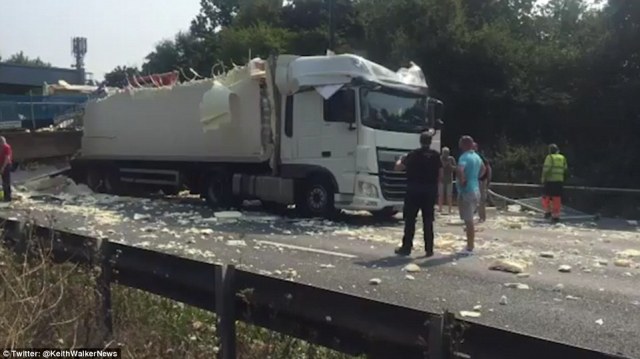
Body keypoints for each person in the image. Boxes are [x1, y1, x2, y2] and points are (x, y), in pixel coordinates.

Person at [394, 131, 442, 257]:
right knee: (428, 220)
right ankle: (429, 248)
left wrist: (400, 159)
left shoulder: (413, 154)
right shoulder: (436, 156)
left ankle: (407, 247)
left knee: (410, 220)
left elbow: (398, 168)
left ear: (420, 141)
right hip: (430, 191)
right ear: (430, 142)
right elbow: (441, 174)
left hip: (413, 190)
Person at [456, 136, 485, 254]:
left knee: (469, 221)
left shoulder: (464, 157)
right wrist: (476, 177)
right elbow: (483, 169)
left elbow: (460, 169)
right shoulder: (477, 156)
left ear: (463, 145)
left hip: (467, 190)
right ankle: (469, 243)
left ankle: (470, 246)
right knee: (469, 218)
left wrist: (462, 180)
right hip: (475, 188)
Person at [541, 143, 568, 223]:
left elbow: (546, 169)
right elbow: (565, 169)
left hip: (550, 180)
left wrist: (543, 179)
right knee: (557, 199)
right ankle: (556, 216)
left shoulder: (550, 157)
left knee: (546, 197)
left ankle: (548, 212)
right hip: (559, 181)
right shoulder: (562, 157)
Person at [473, 142, 492, 223]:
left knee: (481, 199)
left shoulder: (479, 157)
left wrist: (487, 179)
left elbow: (487, 168)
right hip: (477, 180)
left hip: (481, 180)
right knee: (477, 199)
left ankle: (482, 217)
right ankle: (480, 216)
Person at [438, 147, 456, 214]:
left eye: (447, 153)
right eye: (444, 153)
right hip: (441, 179)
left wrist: (450, 166)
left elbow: (455, 168)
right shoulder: (440, 159)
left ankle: (449, 209)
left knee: (449, 195)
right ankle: (440, 209)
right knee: (440, 195)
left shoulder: (451, 159)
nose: (445, 154)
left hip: (449, 179)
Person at [0, 136, 12, 202]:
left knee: (6, 182)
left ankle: (8, 197)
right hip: (2, 166)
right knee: (4, 182)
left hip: (6, 166)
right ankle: (5, 196)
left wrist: (3, 168)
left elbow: (7, 158)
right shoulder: (2, 147)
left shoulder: (6, 147)